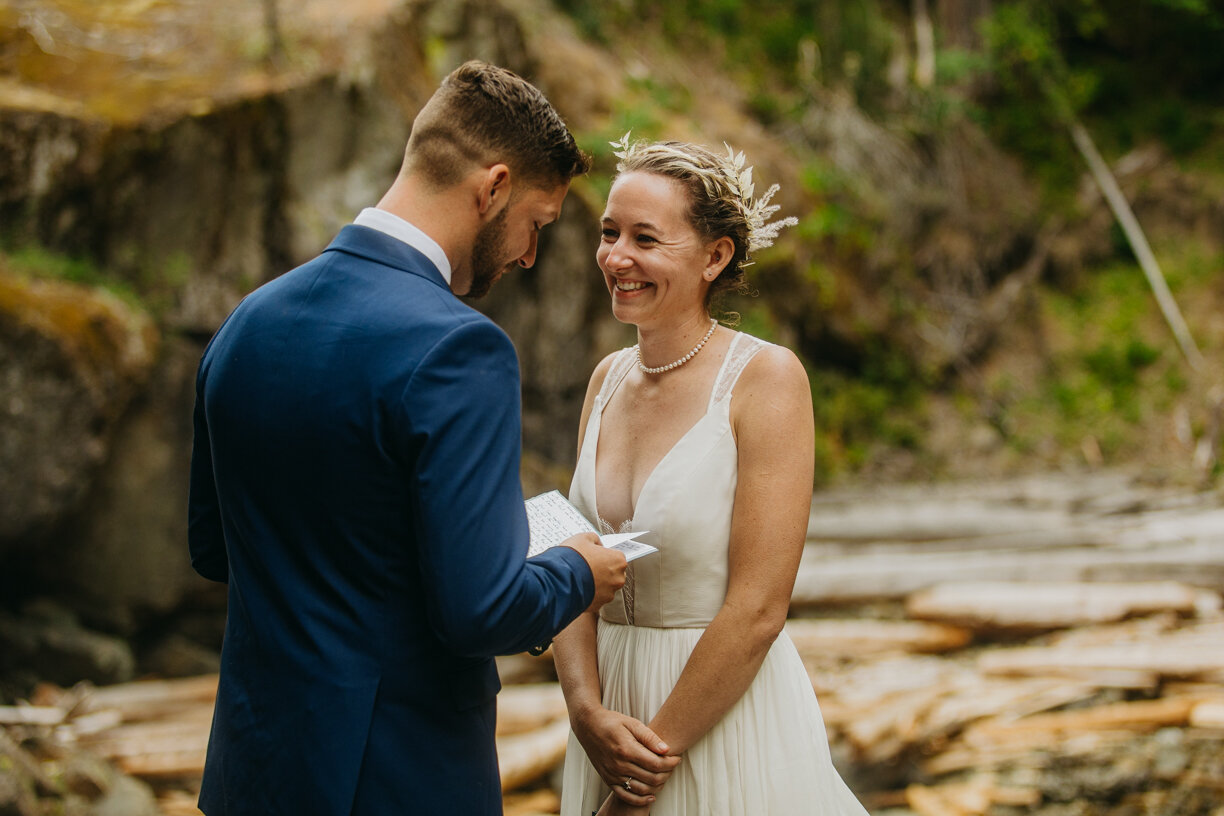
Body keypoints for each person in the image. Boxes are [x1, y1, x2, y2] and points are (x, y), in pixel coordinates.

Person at [188, 61, 628, 816]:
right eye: (537, 225)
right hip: (398, 778)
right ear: (491, 189)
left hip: (253, 774)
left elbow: (214, 547)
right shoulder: (461, 349)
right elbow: (480, 610)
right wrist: (577, 571)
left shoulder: (247, 322)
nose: (528, 255)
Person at [553, 136, 870, 815]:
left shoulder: (766, 380)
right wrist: (584, 710)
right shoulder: (606, 380)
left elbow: (758, 609)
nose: (616, 257)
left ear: (715, 256)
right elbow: (572, 558)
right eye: (609, 233)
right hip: (610, 721)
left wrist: (641, 779)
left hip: (711, 725)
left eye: (646, 238)